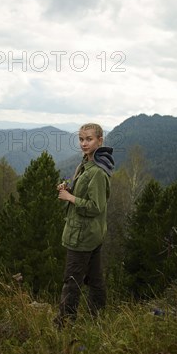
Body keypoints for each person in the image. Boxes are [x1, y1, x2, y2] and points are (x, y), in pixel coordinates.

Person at [54, 123, 114, 328]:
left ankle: (64, 325)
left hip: (82, 236)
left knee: (72, 282)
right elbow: (86, 193)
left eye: (89, 139)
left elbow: (96, 206)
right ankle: (97, 319)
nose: (84, 143)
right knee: (95, 280)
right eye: (81, 139)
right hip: (93, 235)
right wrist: (69, 188)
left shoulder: (96, 171)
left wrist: (70, 198)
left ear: (100, 140)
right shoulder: (87, 163)